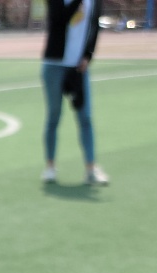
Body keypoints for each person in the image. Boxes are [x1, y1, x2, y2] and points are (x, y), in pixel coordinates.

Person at [41, 0, 106, 185]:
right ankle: (50, 167)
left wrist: (88, 55)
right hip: (54, 65)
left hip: (79, 69)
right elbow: (59, 18)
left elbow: (94, 26)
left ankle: (91, 169)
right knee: (54, 116)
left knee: (85, 118)